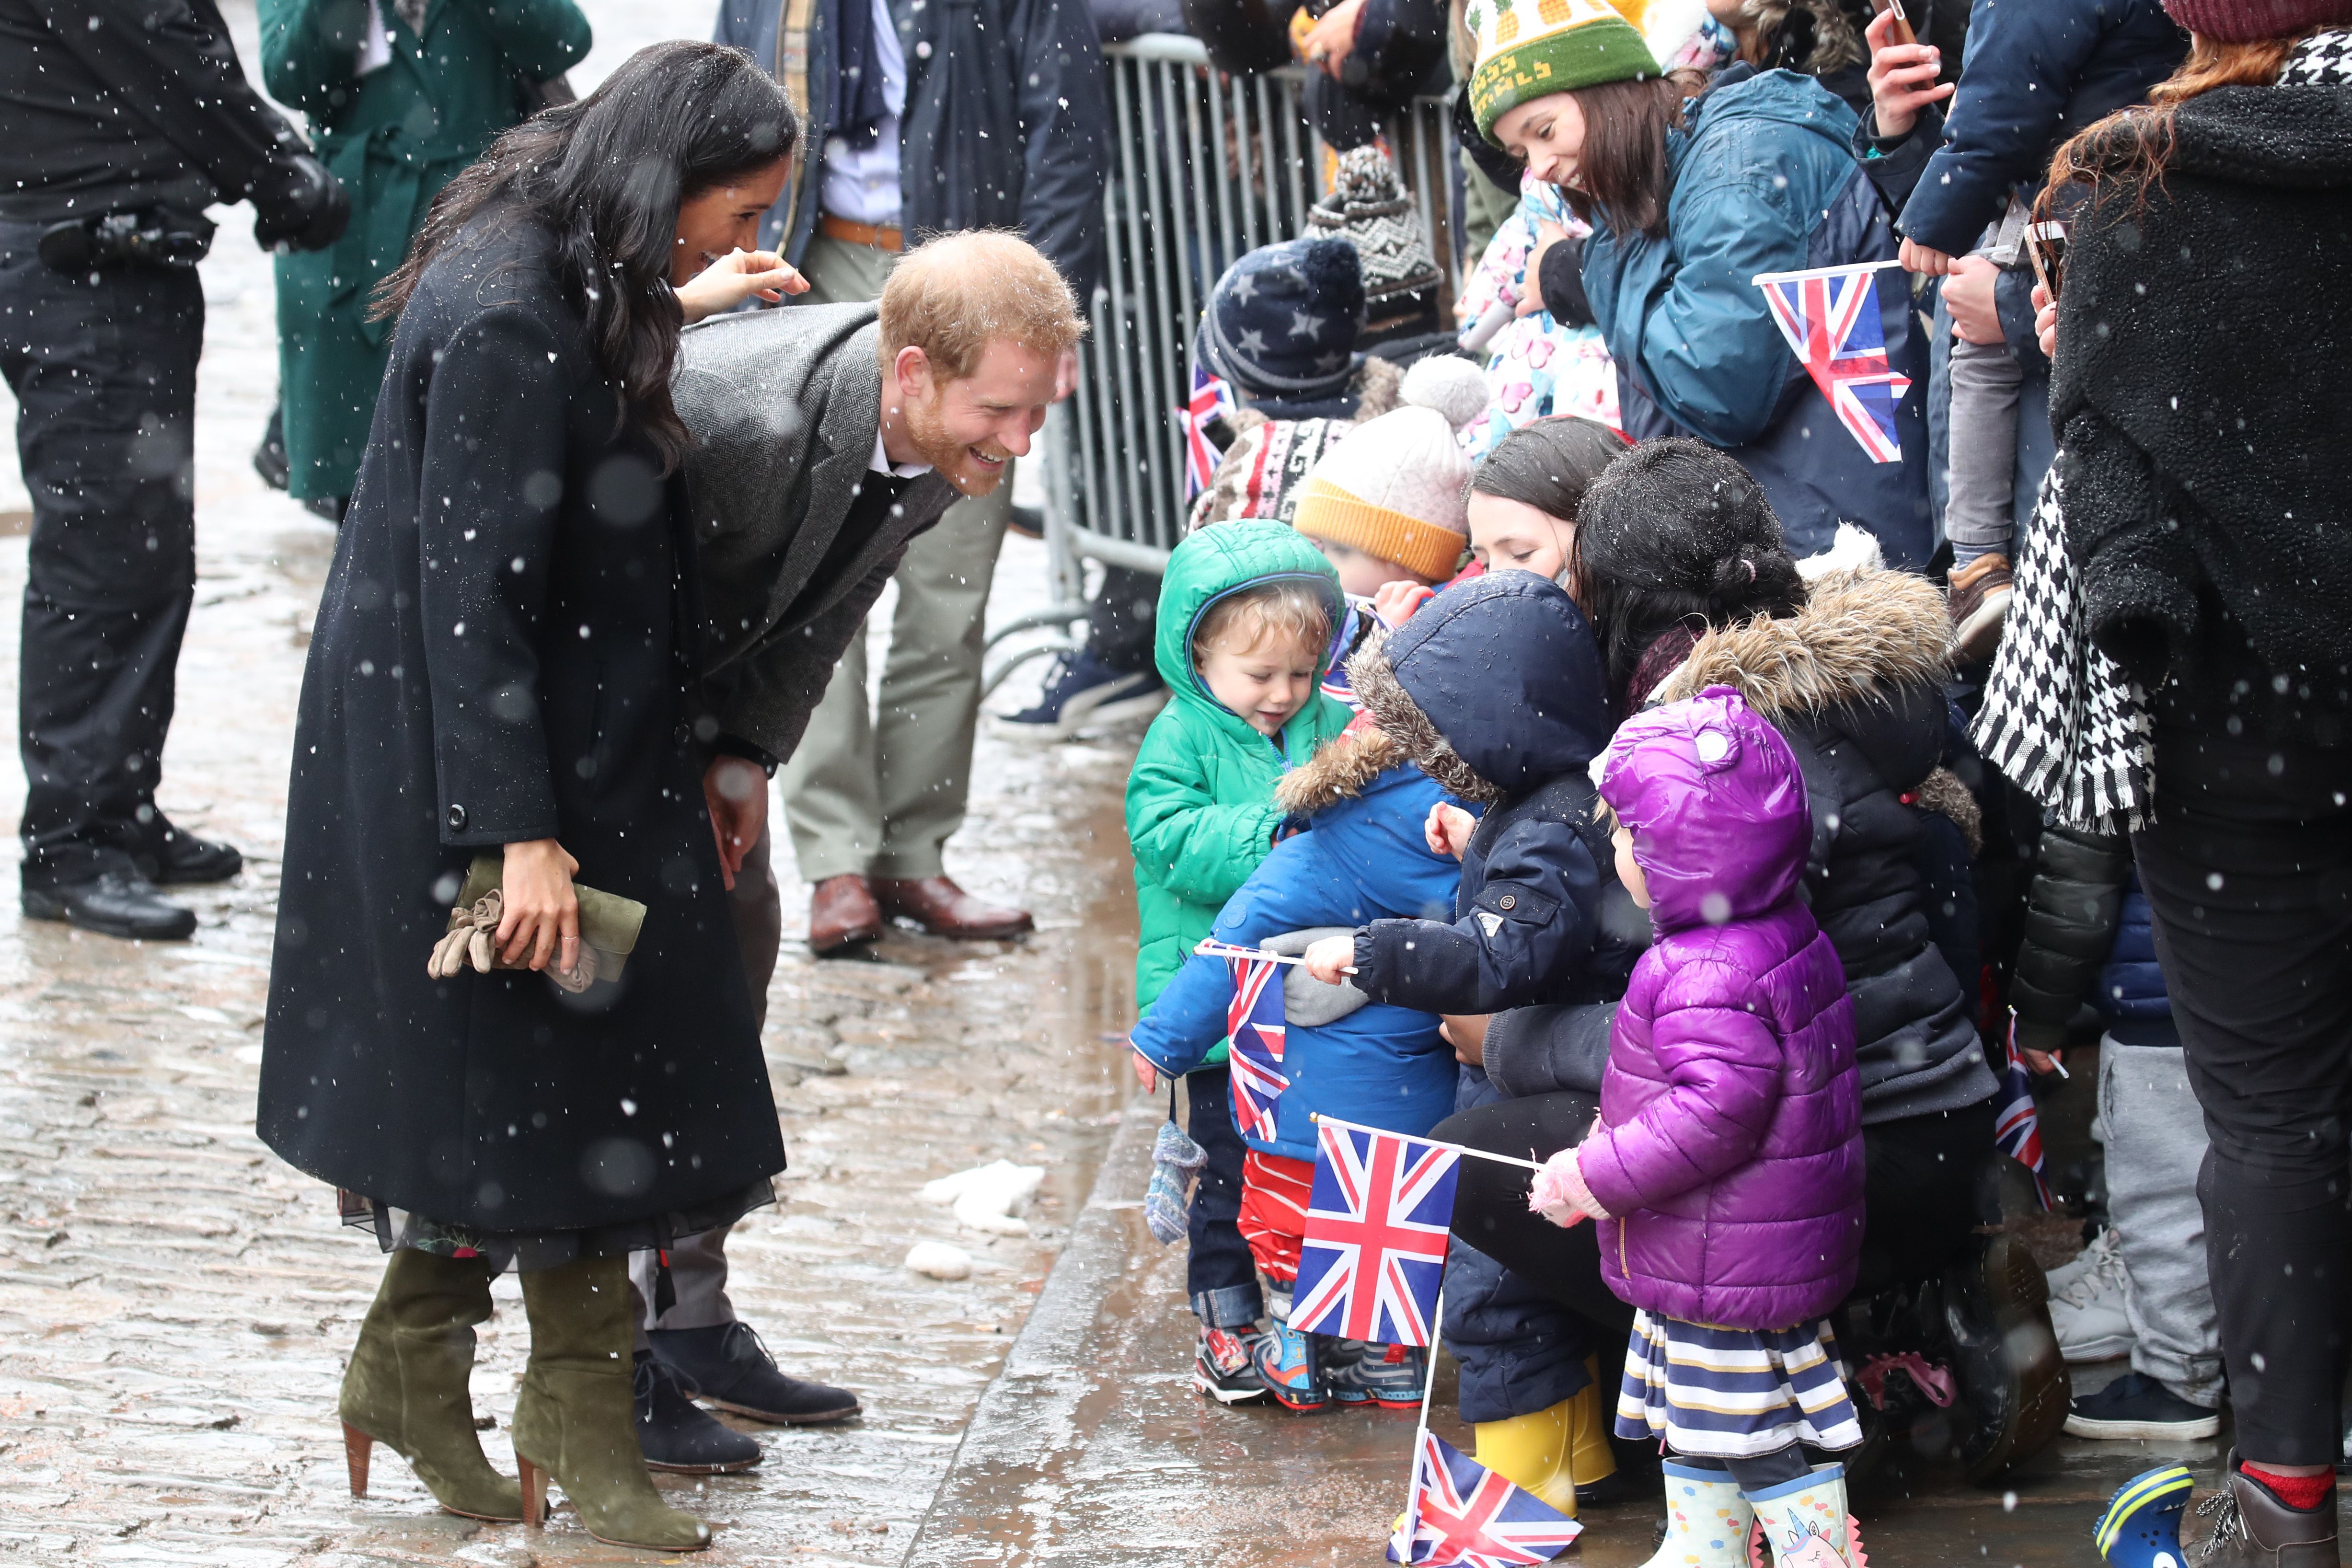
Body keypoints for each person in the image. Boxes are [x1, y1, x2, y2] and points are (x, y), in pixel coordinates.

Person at [255, 42, 814, 1551]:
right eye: (736, 211)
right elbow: (473, 598)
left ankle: (463, 1378)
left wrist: (678, 309)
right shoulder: (510, 307)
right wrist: (515, 836)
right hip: (502, 755)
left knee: (565, 1081)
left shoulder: (563, 255)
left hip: (587, 734)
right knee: (547, 1081)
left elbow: (576, 429)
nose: (743, 239)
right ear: (662, 178)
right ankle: (490, 1384)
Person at [1447, 440, 2070, 1485]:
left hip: (1845, 1145)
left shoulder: (1717, 746)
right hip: (1943, 1111)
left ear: (1629, 591)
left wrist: (1506, 1038)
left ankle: (1800, 1390)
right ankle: (1932, 1289)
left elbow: (1706, 1035)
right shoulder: (1844, 690)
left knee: (1480, 1161)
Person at [1995, 8, 2352, 1557]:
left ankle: (2279, 1499)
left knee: (2267, 1120)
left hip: (2231, 724)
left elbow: (2102, 459)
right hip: (2244, 717)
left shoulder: (2127, 177)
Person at [644, 230, 1087, 1468]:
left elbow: (824, 610)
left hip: (690, 720)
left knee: (736, 958)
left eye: (1036, 413)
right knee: (619, 1025)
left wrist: (740, 756)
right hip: (594, 718)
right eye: (1001, 411)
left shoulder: (947, 439)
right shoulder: (741, 420)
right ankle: (595, 1359)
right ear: (909, 374)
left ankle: (688, 1311)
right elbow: (600, 607)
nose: (1018, 446)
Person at [712, 0, 1107, 955]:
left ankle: (914, 851)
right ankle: (836, 858)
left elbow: (1068, 134)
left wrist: (1050, 313)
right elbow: (726, 108)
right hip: (816, 260)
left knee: (953, 581)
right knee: (808, 568)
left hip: (975, 278)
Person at [1, 0, 347, 941]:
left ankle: (114, 806)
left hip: (107, 240)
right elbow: (156, 43)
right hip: (80, 251)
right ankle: (72, 844)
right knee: (105, 553)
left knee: (144, 553)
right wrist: (279, 173)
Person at [1529, 686, 1869, 1568]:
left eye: (1626, 837)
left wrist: (1592, 1174)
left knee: (1746, 1423)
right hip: (1745, 1239)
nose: (1615, 851)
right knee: (1703, 1414)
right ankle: (1700, 1543)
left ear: (1677, 855)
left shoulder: (1703, 968)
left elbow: (1710, 1113)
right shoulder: (1775, 928)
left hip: (1725, 1246)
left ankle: (1814, 1551)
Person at [1467, 0, 1934, 565]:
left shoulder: (1740, 167)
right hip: (1805, 542)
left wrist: (1600, 267)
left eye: (1544, 131)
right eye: (1522, 152)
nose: (1538, 166)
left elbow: (1715, 383)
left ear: (1607, 93)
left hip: (1838, 562)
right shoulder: (1682, 174)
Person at [1130, 713, 1459, 1411]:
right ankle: (1390, 1363)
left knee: (1289, 1230)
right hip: (1411, 1106)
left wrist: (1164, 1038)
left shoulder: (1314, 853)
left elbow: (1231, 949)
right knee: (1389, 1234)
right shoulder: (1465, 832)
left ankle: (1297, 1358)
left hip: (1301, 1103)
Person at [1860, 0, 2186, 656]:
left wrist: (1999, 300)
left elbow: (1996, 126)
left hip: (2078, 498)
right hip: (2062, 231)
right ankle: (1977, 565)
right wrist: (1901, 140)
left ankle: (1977, 565)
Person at [1125, 520, 1353, 1407]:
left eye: (1300, 673)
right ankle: (1229, 1323)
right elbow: (1164, 836)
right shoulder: (1178, 736)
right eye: (1259, 676)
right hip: (1219, 1008)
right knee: (1227, 1177)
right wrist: (1273, 829)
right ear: (1198, 654)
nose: (1282, 694)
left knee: (1305, 1167)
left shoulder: (1330, 722)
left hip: (1313, 1005)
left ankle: (1312, 1321)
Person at [1018, 237, 1400, 738]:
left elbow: (1201, 583)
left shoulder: (1248, 464)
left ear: (1238, 367)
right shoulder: (1395, 433)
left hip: (1263, 706)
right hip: (1374, 687)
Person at [257, 0, 593, 521]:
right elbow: (292, 78)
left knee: (499, 471)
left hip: (489, 222)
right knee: (362, 500)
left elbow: (564, 40)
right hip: (356, 234)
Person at [1300, 571, 1642, 1016]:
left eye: (1431, 735)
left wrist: (1376, 953)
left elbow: (1497, 954)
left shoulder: (1553, 832)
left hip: (1540, 1055)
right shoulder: (1550, 793)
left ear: (1493, 725)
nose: (1423, 756)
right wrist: (1480, 843)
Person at [2006, 827, 2222, 1442]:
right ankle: (2254, 1354)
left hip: (2165, 973)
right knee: (2257, 1171)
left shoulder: (2119, 740)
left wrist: (2043, 1011)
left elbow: (2079, 871)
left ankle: (2181, 1376)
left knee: (2168, 1194)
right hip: (2268, 967)